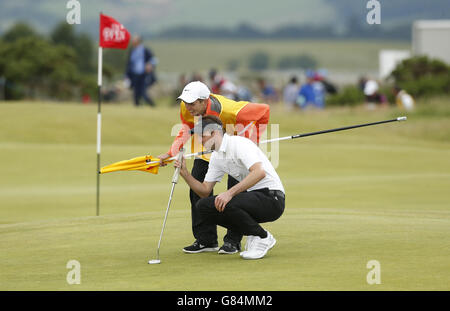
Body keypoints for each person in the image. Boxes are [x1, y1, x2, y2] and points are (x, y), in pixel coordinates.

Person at [157, 81, 270, 254]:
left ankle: (233, 241)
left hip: (234, 147)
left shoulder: (230, 111)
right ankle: (206, 240)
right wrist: (171, 152)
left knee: (235, 192)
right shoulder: (186, 106)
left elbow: (264, 111)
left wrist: (251, 143)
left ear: (204, 100)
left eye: (192, 103)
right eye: (186, 102)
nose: (188, 107)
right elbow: (187, 127)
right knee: (197, 186)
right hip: (209, 144)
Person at [174, 115, 285, 260]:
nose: (200, 141)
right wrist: (185, 174)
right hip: (252, 200)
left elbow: (259, 172)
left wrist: (229, 193)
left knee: (228, 201)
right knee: (203, 206)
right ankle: (254, 233)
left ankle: (262, 237)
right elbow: (205, 191)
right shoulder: (216, 156)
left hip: (272, 198)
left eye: (203, 136)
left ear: (215, 133)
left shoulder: (239, 143)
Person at [125, 35, 156, 107]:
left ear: (138, 41)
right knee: (136, 92)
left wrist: (150, 64)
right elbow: (129, 64)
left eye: (134, 40)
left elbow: (153, 60)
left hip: (144, 74)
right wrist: (126, 75)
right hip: (134, 75)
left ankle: (152, 105)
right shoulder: (132, 51)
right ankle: (137, 106)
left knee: (143, 92)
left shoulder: (145, 50)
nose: (132, 41)